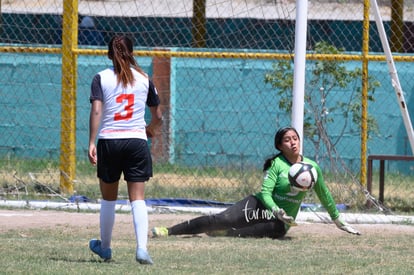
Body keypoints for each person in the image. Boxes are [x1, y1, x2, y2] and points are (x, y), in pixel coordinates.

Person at [152, 126, 360, 238]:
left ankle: (225, 234)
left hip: (280, 220)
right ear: (280, 145)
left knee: (272, 230)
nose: (293, 142)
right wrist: (275, 208)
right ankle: (169, 231)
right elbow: (266, 193)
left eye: (295, 138)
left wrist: (337, 220)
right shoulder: (276, 165)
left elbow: (324, 193)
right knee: (222, 219)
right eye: (287, 139)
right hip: (259, 205)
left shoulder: (312, 168)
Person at [88, 35, 162, 264]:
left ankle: (106, 247)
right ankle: (142, 248)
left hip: (110, 141)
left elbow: (97, 111)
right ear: (132, 53)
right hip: (137, 142)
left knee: (108, 199)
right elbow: (158, 115)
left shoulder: (101, 78)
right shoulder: (145, 78)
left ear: (109, 54)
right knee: (137, 198)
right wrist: (149, 129)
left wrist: (92, 141)